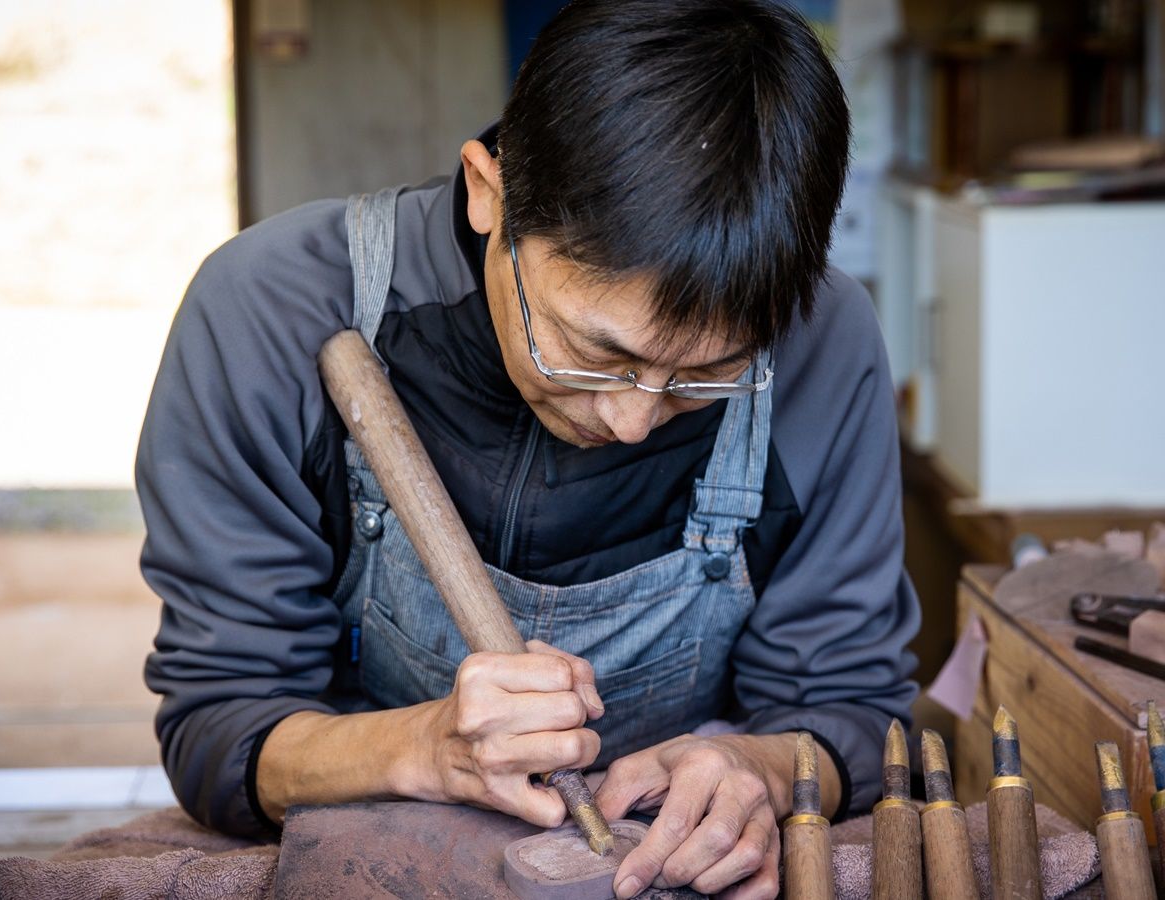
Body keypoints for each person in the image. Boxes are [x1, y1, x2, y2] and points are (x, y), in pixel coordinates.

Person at [138, 1, 920, 896]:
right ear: (488, 191)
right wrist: (421, 747)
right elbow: (219, 734)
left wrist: (768, 769)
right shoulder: (270, 310)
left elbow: (854, 707)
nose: (630, 421)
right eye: (595, 353)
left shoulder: (824, 340)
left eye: (708, 376)